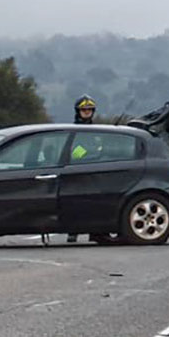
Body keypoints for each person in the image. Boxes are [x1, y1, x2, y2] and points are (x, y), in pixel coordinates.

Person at [68, 94, 97, 243]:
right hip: (76, 171)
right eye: (83, 110)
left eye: (89, 110)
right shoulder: (74, 131)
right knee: (74, 203)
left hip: (93, 172)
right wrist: (86, 152)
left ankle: (95, 232)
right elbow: (72, 152)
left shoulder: (98, 131)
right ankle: (73, 232)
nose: (86, 112)